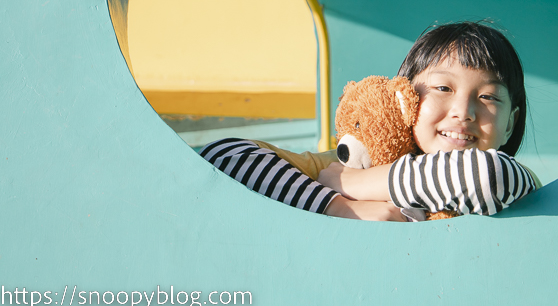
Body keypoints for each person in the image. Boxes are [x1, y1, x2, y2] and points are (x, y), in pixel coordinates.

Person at [201, 21, 540, 221]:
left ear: (510, 124)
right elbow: (224, 157)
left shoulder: (517, 183)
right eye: (442, 87)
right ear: (402, 96)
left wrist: (355, 186)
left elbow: (486, 174)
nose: (463, 111)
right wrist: (342, 206)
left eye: (488, 97)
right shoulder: (351, 164)